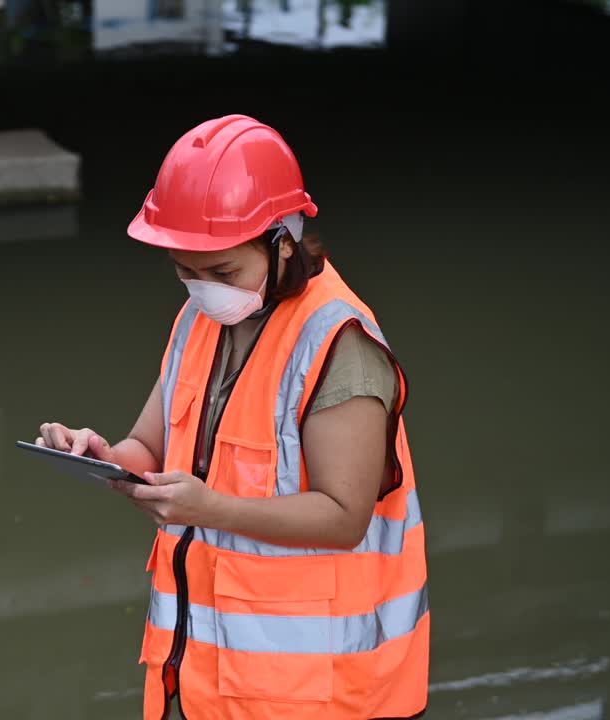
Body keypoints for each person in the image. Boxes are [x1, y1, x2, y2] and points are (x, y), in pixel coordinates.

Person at [34, 115, 429, 719]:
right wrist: (103, 458)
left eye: (222, 272)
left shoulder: (339, 345)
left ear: (284, 241)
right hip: (203, 679)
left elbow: (344, 517)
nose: (202, 289)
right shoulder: (200, 318)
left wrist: (208, 508)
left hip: (315, 696)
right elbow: (150, 445)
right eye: (185, 271)